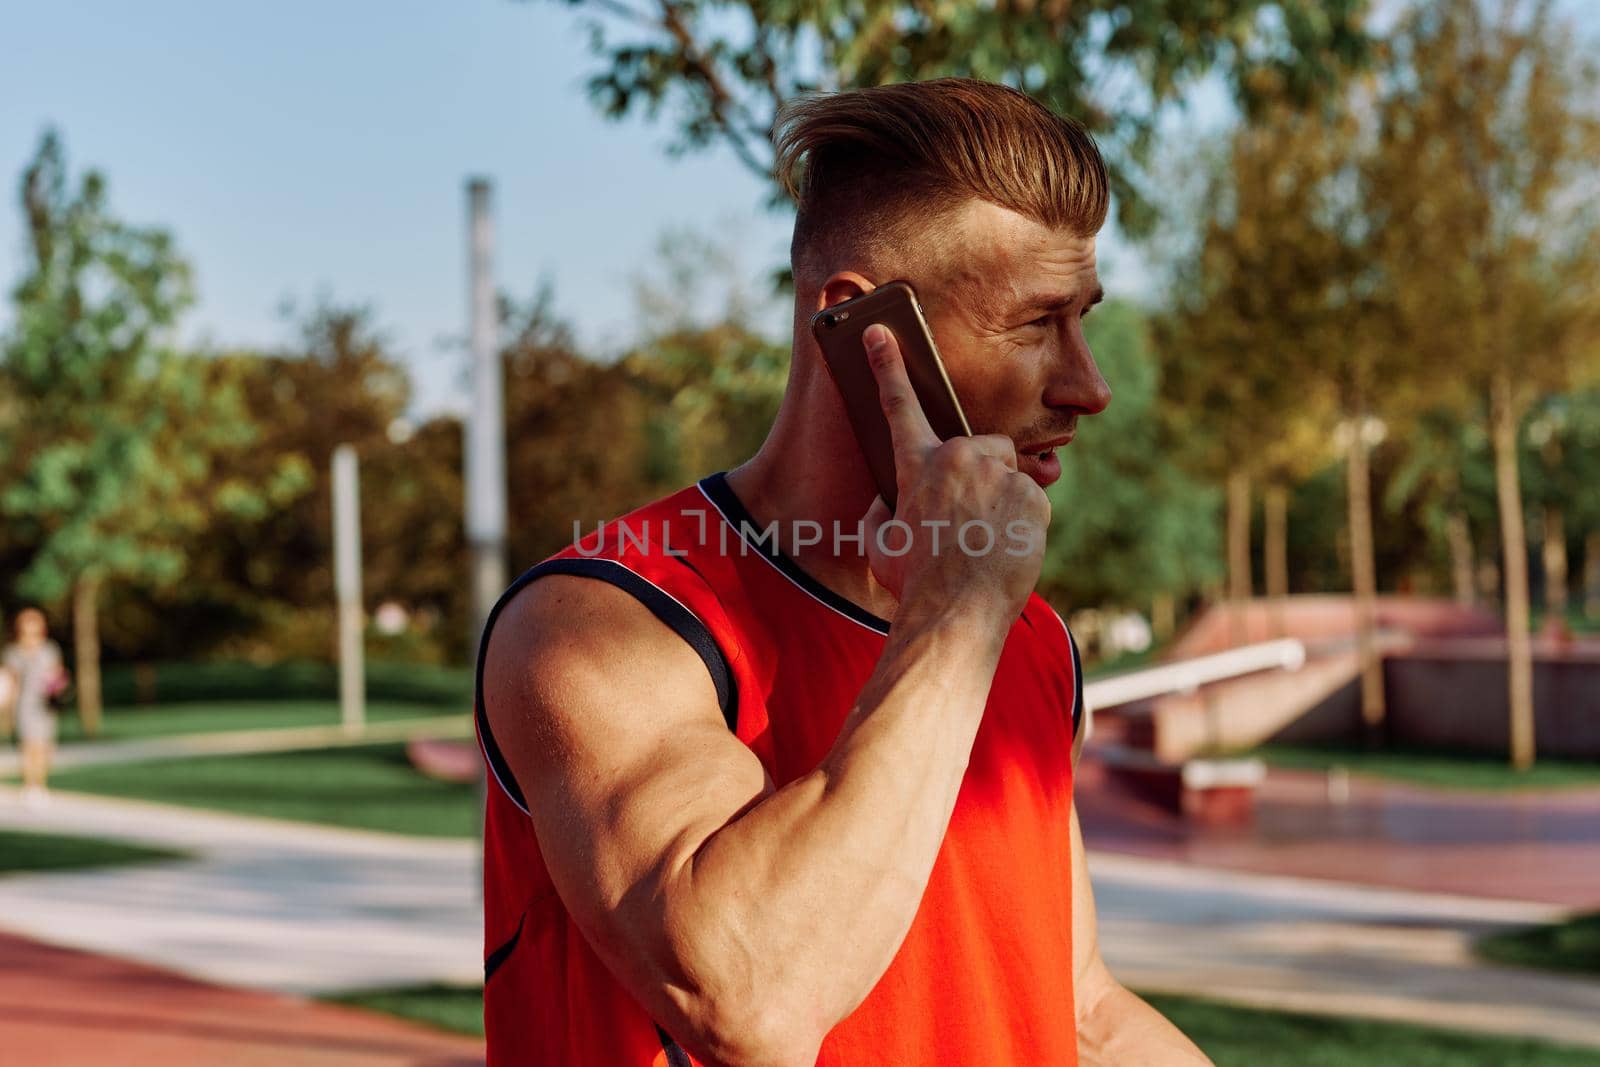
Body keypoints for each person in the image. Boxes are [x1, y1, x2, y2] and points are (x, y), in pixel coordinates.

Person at [477, 78, 1212, 1065]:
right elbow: (748, 999)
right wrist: (953, 616)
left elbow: (1076, 1002)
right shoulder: (604, 622)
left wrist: (970, 612)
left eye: (1083, 319)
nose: (1089, 385)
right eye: (1037, 324)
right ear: (864, 325)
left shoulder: (1022, 636)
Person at [2, 607, 66, 808]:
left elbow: (57, 673)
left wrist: (58, 686)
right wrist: (6, 707)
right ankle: (30, 787)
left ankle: (41, 784)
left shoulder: (50, 649)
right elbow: (10, 681)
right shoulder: (13, 652)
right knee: (29, 745)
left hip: (45, 704)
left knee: (44, 746)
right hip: (24, 704)